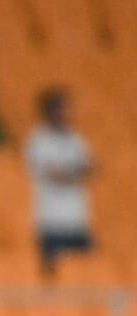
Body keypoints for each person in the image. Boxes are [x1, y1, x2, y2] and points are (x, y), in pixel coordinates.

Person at [25, 88, 95, 274]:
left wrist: (70, 173)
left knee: (93, 277)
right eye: (62, 108)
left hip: (78, 222)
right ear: (50, 111)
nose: (67, 113)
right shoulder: (39, 140)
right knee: (54, 281)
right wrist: (76, 173)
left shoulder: (76, 139)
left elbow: (91, 167)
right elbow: (54, 176)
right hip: (52, 223)